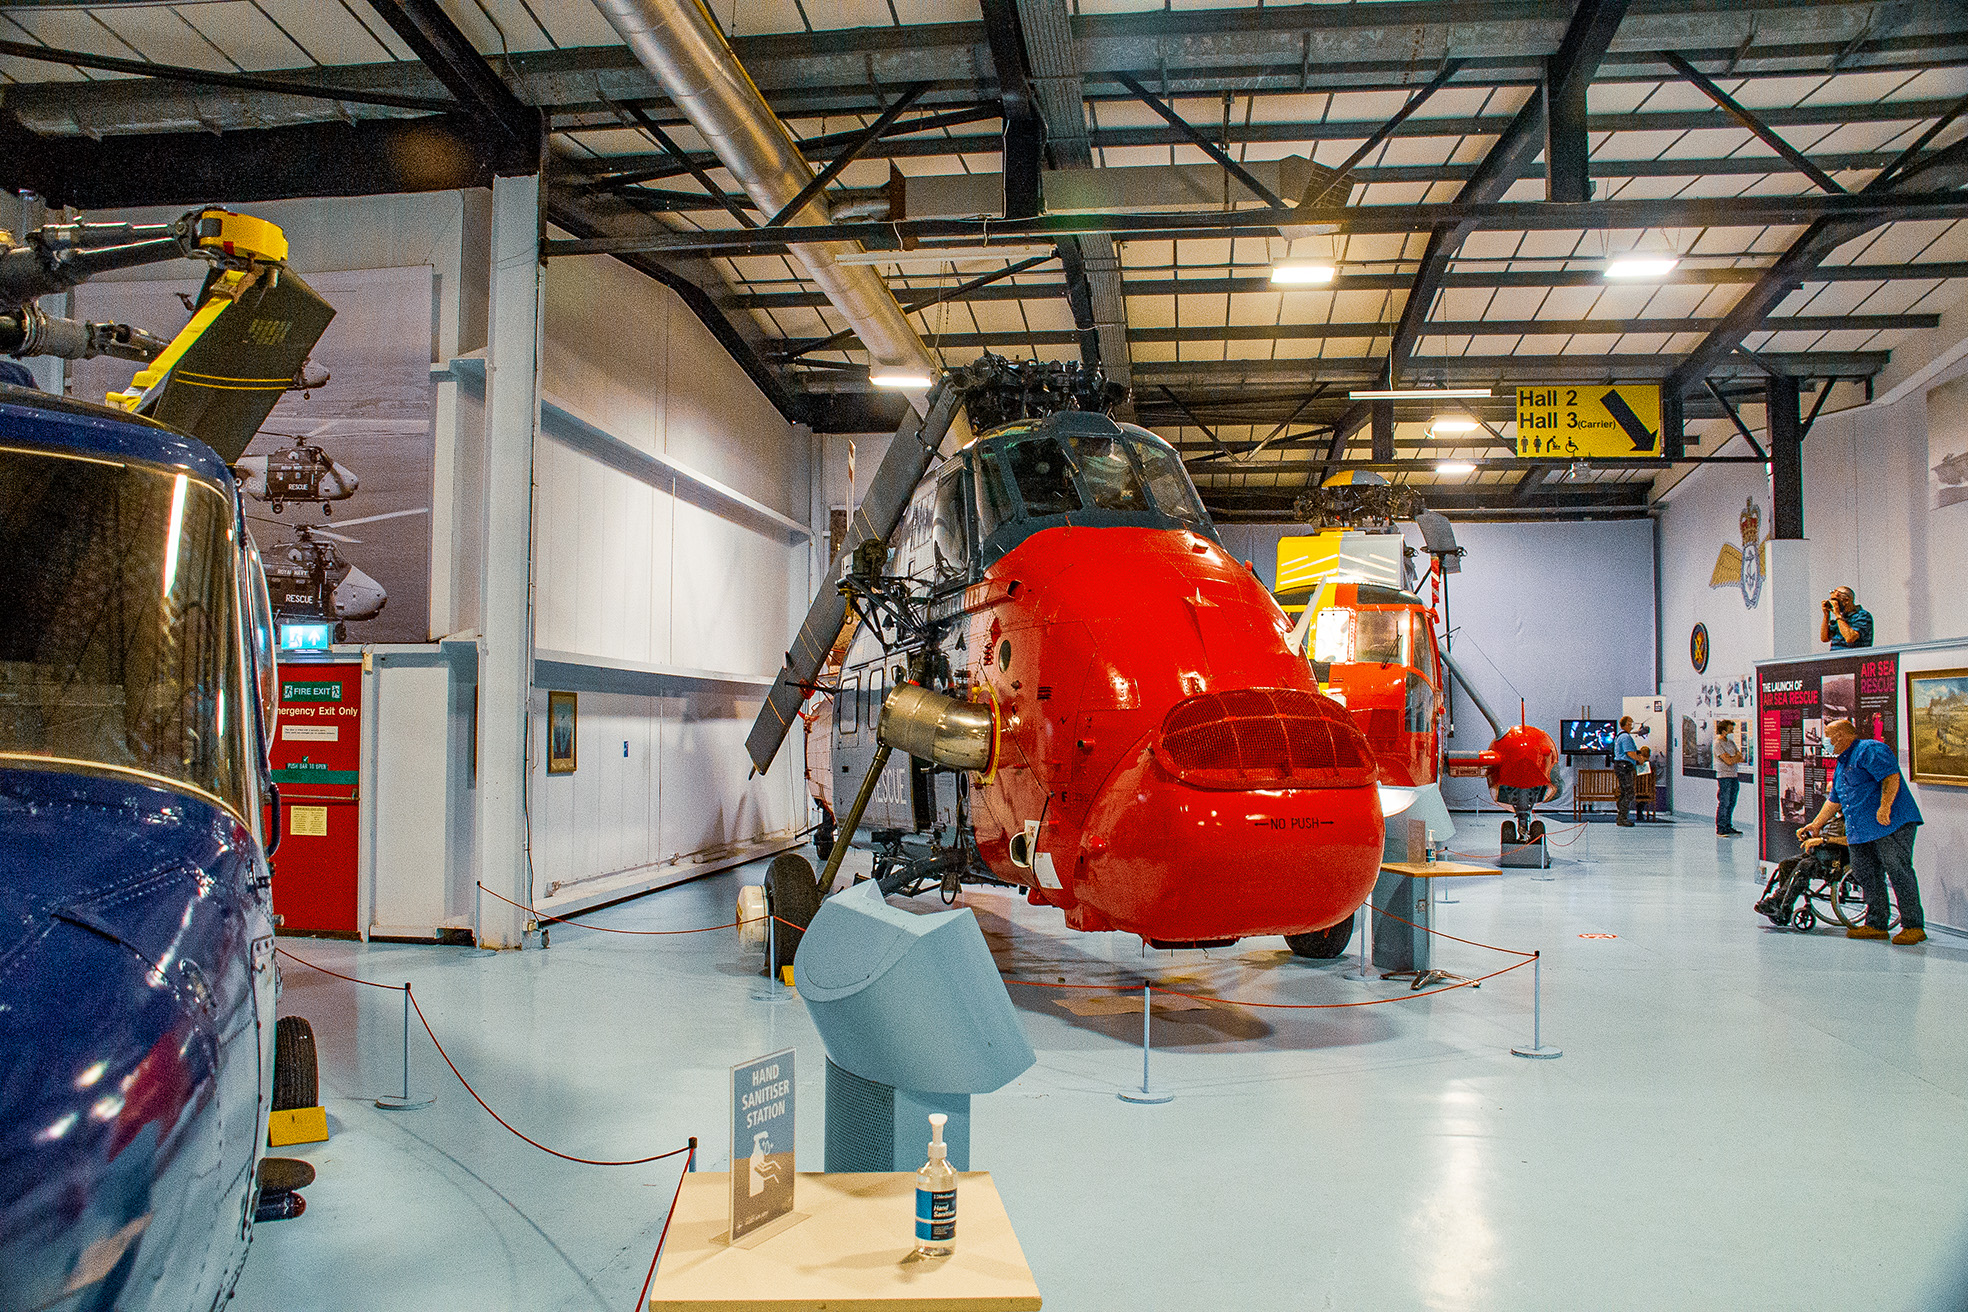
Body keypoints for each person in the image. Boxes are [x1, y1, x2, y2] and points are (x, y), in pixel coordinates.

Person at [1800, 718, 1925, 944]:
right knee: (1866, 874)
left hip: (1890, 824)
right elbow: (1835, 799)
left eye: (1828, 736)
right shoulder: (1842, 763)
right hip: (1861, 830)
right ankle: (1876, 924)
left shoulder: (1869, 749)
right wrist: (1816, 824)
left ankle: (1913, 926)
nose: (1825, 741)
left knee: (1898, 872)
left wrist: (1885, 806)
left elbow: (1891, 776)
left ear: (1841, 736)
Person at [1756, 807, 1845, 925]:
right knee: (1786, 864)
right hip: (1820, 854)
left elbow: (1850, 841)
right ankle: (1783, 909)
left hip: (1837, 859)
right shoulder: (1831, 819)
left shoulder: (1853, 819)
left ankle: (1779, 900)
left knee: (1804, 866)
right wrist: (1809, 836)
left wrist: (1823, 840)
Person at [1610, 715, 1647, 827]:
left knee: (1624, 792)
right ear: (1626, 724)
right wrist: (1640, 759)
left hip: (1620, 766)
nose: (1632, 725)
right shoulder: (1626, 737)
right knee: (1629, 793)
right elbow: (1629, 753)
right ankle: (1623, 818)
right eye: (1631, 722)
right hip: (1625, 767)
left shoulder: (1619, 736)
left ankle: (1621, 817)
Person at [1714, 719, 1745, 836]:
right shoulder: (1718, 744)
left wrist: (1733, 758)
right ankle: (1721, 828)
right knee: (1724, 802)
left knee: (1732, 802)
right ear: (1724, 730)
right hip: (1724, 776)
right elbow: (1728, 761)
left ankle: (1728, 826)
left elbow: (1740, 757)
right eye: (1730, 728)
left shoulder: (1730, 742)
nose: (1732, 730)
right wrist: (1733, 758)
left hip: (1733, 775)